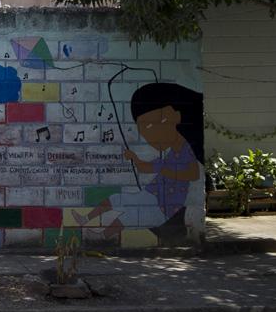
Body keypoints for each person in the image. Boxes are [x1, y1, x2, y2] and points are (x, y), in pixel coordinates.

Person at [82, 82, 203, 244]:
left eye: (150, 126)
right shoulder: (169, 154)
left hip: (162, 207)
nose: (148, 137)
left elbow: (193, 174)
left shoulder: (186, 151)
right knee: (117, 199)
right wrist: (134, 158)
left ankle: (102, 236)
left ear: (174, 116)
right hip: (150, 196)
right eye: (143, 131)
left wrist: (167, 171)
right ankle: (86, 218)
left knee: (130, 215)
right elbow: (144, 168)